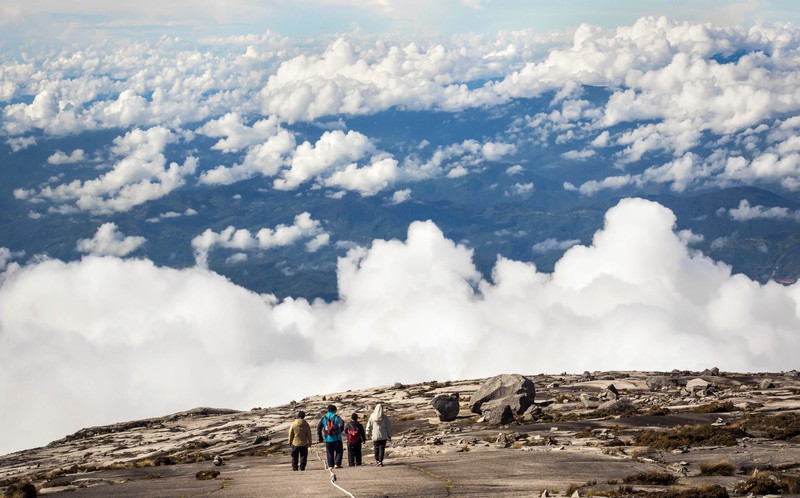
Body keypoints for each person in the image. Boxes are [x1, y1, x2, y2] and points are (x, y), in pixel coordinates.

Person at [316, 404, 345, 469]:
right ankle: (337, 464)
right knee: (339, 451)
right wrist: (340, 430)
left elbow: (319, 428)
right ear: (335, 410)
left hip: (328, 439)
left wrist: (320, 437)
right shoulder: (336, 417)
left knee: (329, 453)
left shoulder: (324, 418)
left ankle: (330, 465)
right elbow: (342, 422)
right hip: (337, 438)